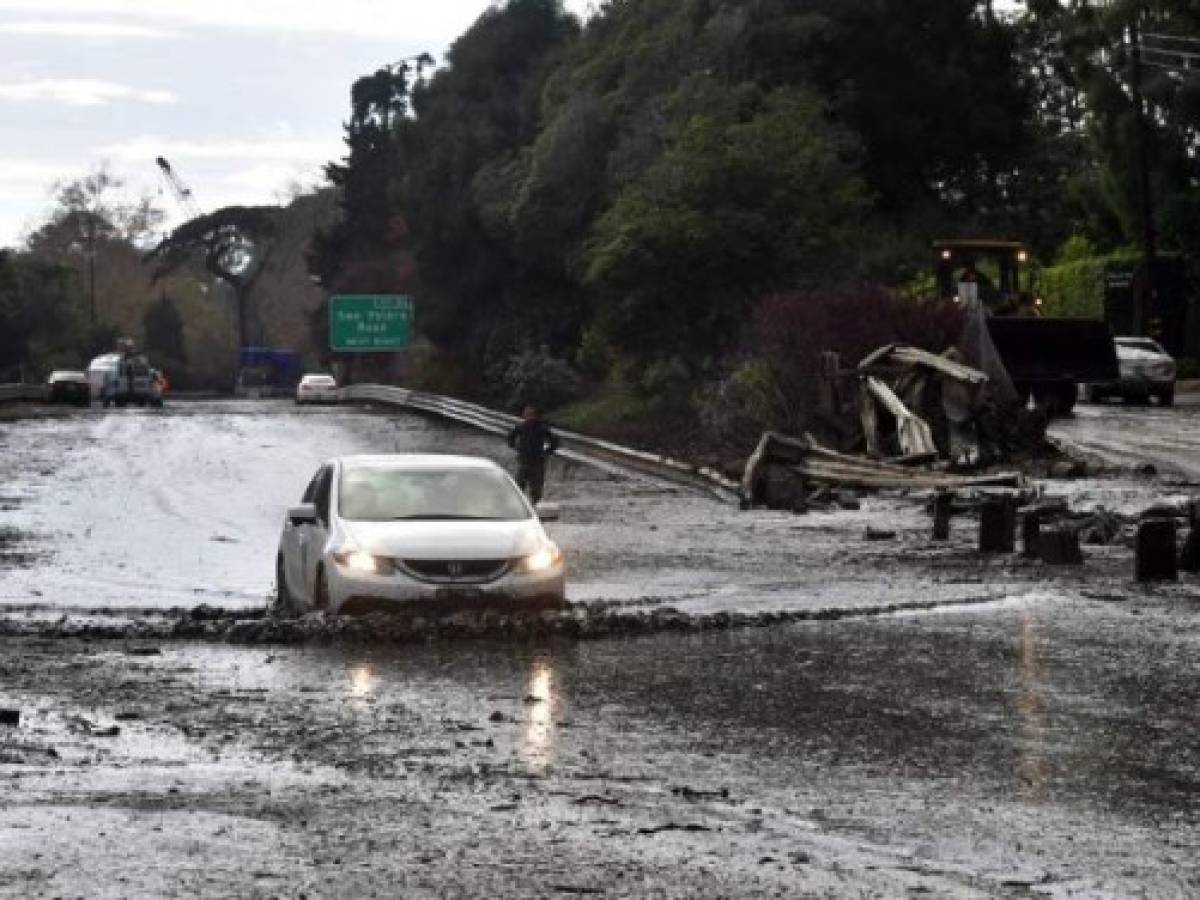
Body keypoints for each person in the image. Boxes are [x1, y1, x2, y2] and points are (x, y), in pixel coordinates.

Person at [507, 405, 559, 505]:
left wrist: (547, 452)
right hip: (524, 461)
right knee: (519, 485)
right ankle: (518, 506)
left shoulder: (542, 428)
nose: (529, 417)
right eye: (527, 415)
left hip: (537, 462)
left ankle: (535, 506)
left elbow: (554, 441)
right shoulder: (521, 427)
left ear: (536, 416)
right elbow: (510, 438)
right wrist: (517, 448)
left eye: (531, 415)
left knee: (536, 488)